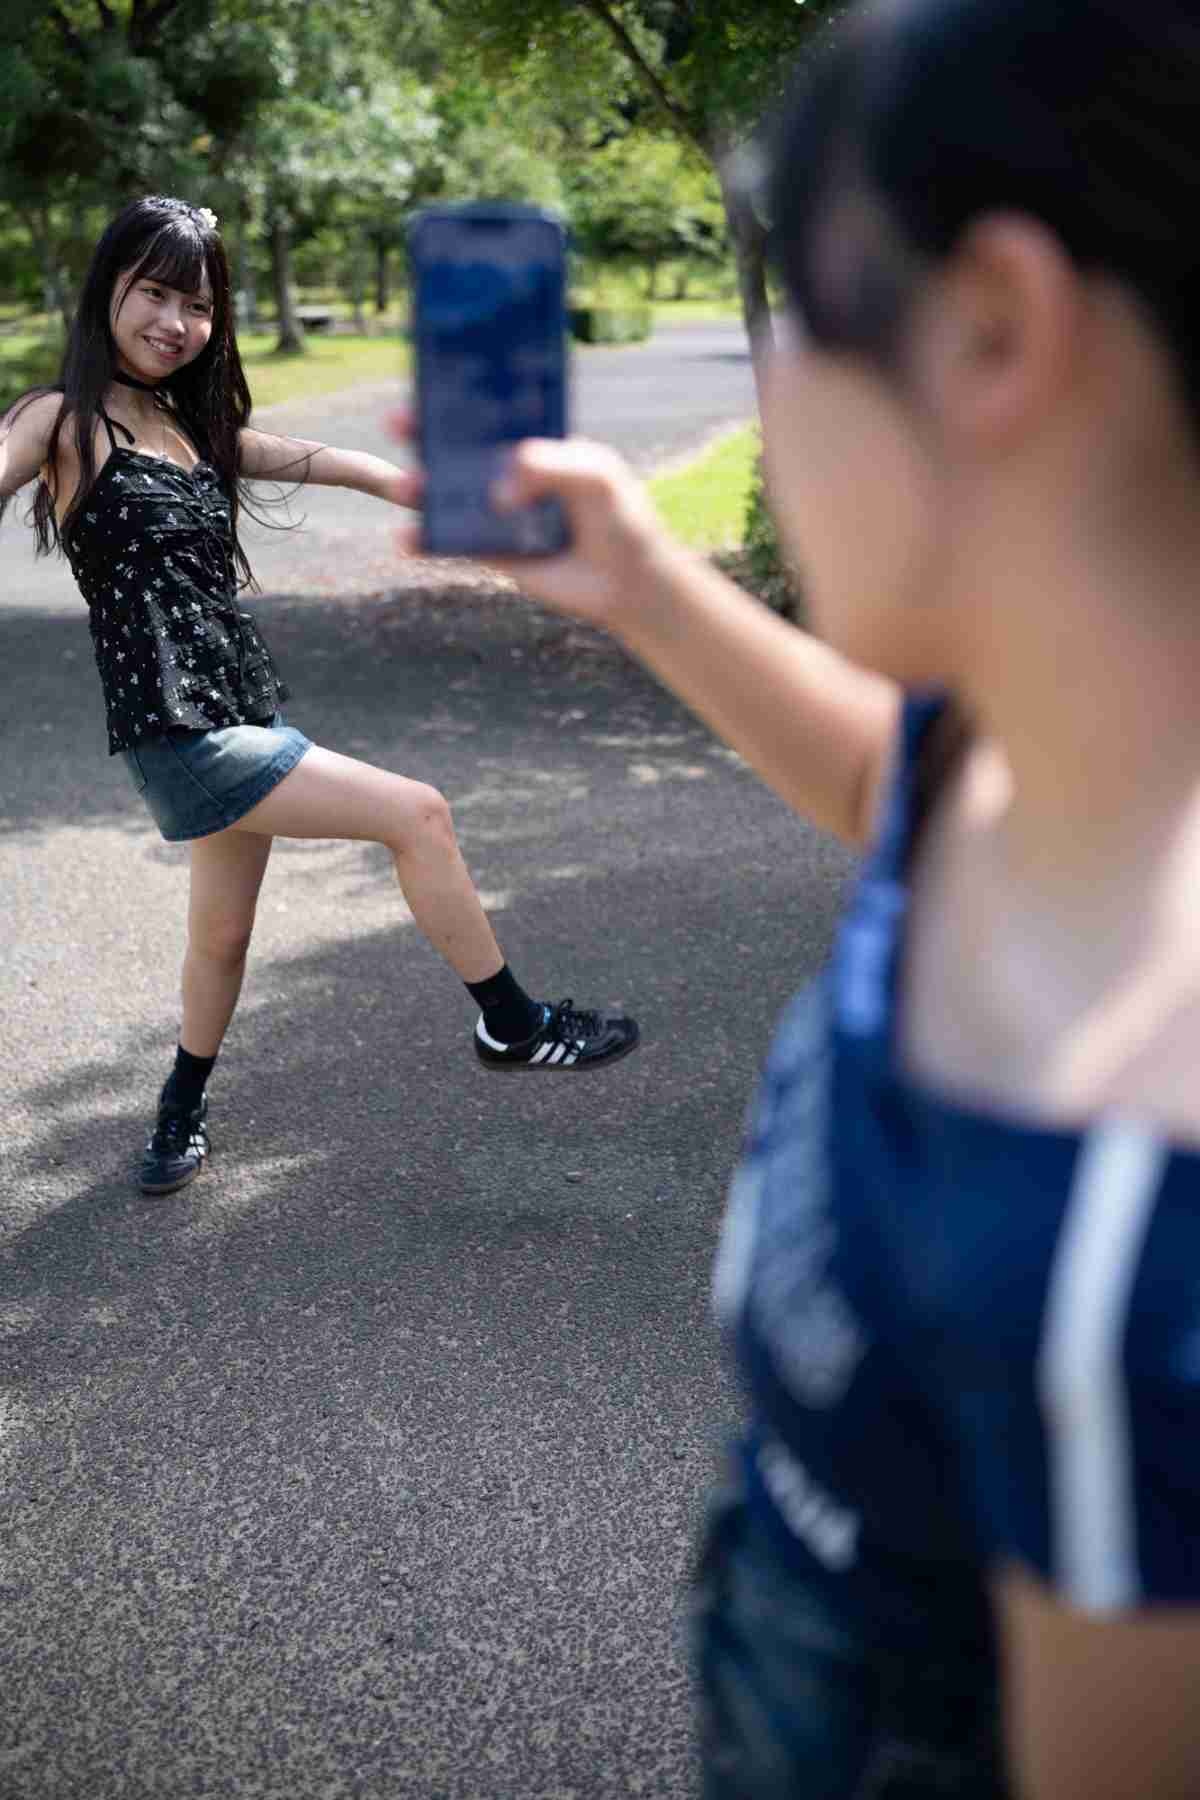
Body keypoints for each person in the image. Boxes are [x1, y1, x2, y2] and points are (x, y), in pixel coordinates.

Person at [390, 1, 1200, 1793]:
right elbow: (897, 790)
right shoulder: (1049, 765)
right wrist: (642, 582)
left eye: (796, 325)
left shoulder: (1122, 1213)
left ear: (990, 331)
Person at [0, 195, 638, 1198]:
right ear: (107, 289)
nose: (175, 321)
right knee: (417, 813)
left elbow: (314, 460)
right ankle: (514, 1025)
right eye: (155, 293)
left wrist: (416, 488)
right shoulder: (60, 419)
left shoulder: (189, 425)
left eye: (197, 305)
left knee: (222, 939)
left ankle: (178, 1110)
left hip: (236, 708)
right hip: (177, 733)